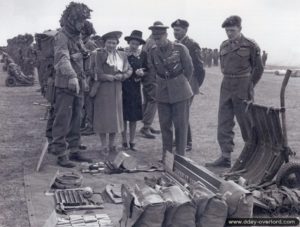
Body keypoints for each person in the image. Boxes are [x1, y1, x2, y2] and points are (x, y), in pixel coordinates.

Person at [205, 15, 264, 168]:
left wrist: (250, 85)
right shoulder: (224, 45)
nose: (229, 33)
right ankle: (225, 156)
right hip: (226, 85)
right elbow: (223, 66)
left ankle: (252, 157)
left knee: (246, 122)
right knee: (224, 121)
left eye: (232, 30)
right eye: (227, 31)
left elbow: (258, 68)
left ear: (240, 29)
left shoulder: (250, 45)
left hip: (242, 85)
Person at [51, 2, 93, 167]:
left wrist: (84, 55)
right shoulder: (62, 36)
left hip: (78, 84)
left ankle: (74, 149)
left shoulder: (77, 36)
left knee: (77, 117)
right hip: (66, 84)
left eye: (83, 21)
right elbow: (62, 57)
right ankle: (61, 153)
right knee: (63, 118)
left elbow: (80, 55)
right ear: (71, 19)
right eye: (79, 20)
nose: (82, 24)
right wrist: (72, 76)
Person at [148, 21, 194, 162]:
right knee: (165, 125)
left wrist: (180, 82)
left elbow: (189, 69)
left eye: (159, 38)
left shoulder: (180, 48)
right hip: (162, 91)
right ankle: (166, 156)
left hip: (180, 90)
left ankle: (180, 157)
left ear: (166, 35)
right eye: (155, 39)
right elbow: (153, 71)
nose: (157, 41)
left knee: (181, 125)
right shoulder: (153, 51)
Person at [93, 31, 132, 154]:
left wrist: (123, 75)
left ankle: (111, 144)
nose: (111, 45)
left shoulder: (122, 55)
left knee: (115, 118)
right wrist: (107, 77)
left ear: (117, 44)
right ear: (104, 43)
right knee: (103, 118)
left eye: (114, 43)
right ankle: (103, 145)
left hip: (117, 89)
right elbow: (94, 72)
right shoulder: (98, 55)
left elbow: (130, 69)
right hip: (103, 89)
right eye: (109, 42)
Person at [171, 19, 205, 151]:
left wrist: (195, 85)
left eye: (178, 30)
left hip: (189, 83)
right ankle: (180, 139)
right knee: (177, 112)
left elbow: (199, 67)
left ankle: (187, 142)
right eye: (174, 30)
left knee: (183, 113)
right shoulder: (175, 44)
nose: (175, 33)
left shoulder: (192, 44)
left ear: (185, 30)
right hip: (178, 83)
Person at [121, 30, 147, 151]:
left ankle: (132, 141)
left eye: (137, 44)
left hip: (135, 88)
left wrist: (142, 73)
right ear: (128, 42)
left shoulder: (142, 54)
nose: (134, 46)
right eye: (132, 43)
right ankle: (123, 142)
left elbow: (148, 69)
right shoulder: (122, 53)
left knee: (133, 117)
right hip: (122, 87)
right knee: (123, 116)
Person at [139, 34, 161, 139]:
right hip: (151, 76)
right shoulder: (153, 43)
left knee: (148, 100)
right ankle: (146, 127)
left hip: (147, 76)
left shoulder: (147, 42)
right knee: (153, 100)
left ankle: (147, 125)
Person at [80, 21, 98, 136]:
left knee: (89, 103)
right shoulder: (83, 43)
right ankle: (86, 124)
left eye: (82, 31)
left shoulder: (90, 44)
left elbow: (94, 63)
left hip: (89, 77)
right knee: (85, 103)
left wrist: (88, 78)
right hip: (84, 75)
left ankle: (91, 126)